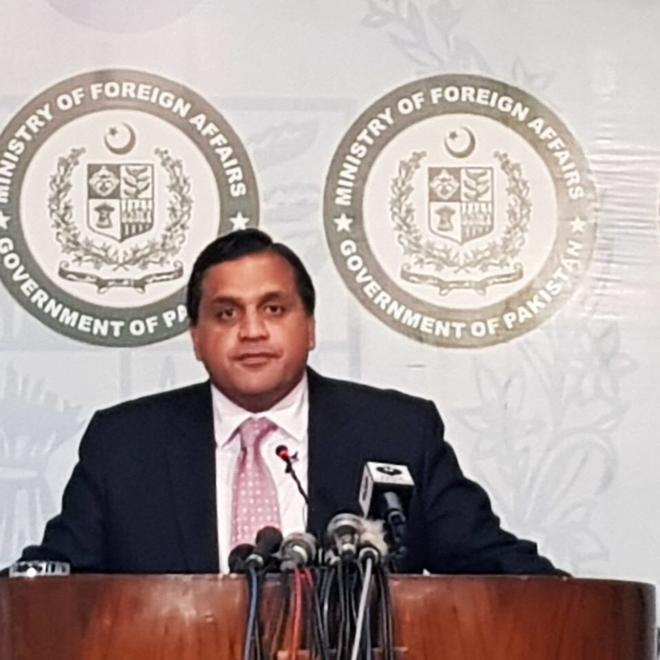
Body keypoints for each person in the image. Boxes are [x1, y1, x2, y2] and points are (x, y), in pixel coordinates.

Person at [19, 229, 563, 575]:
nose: (252, 331)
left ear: (310, 328)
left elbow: (493, 564)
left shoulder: (396, 432)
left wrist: (577, 607)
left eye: (274, 309)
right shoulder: (125, 445)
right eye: (226, 314)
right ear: (196, 338)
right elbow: (51, 582)